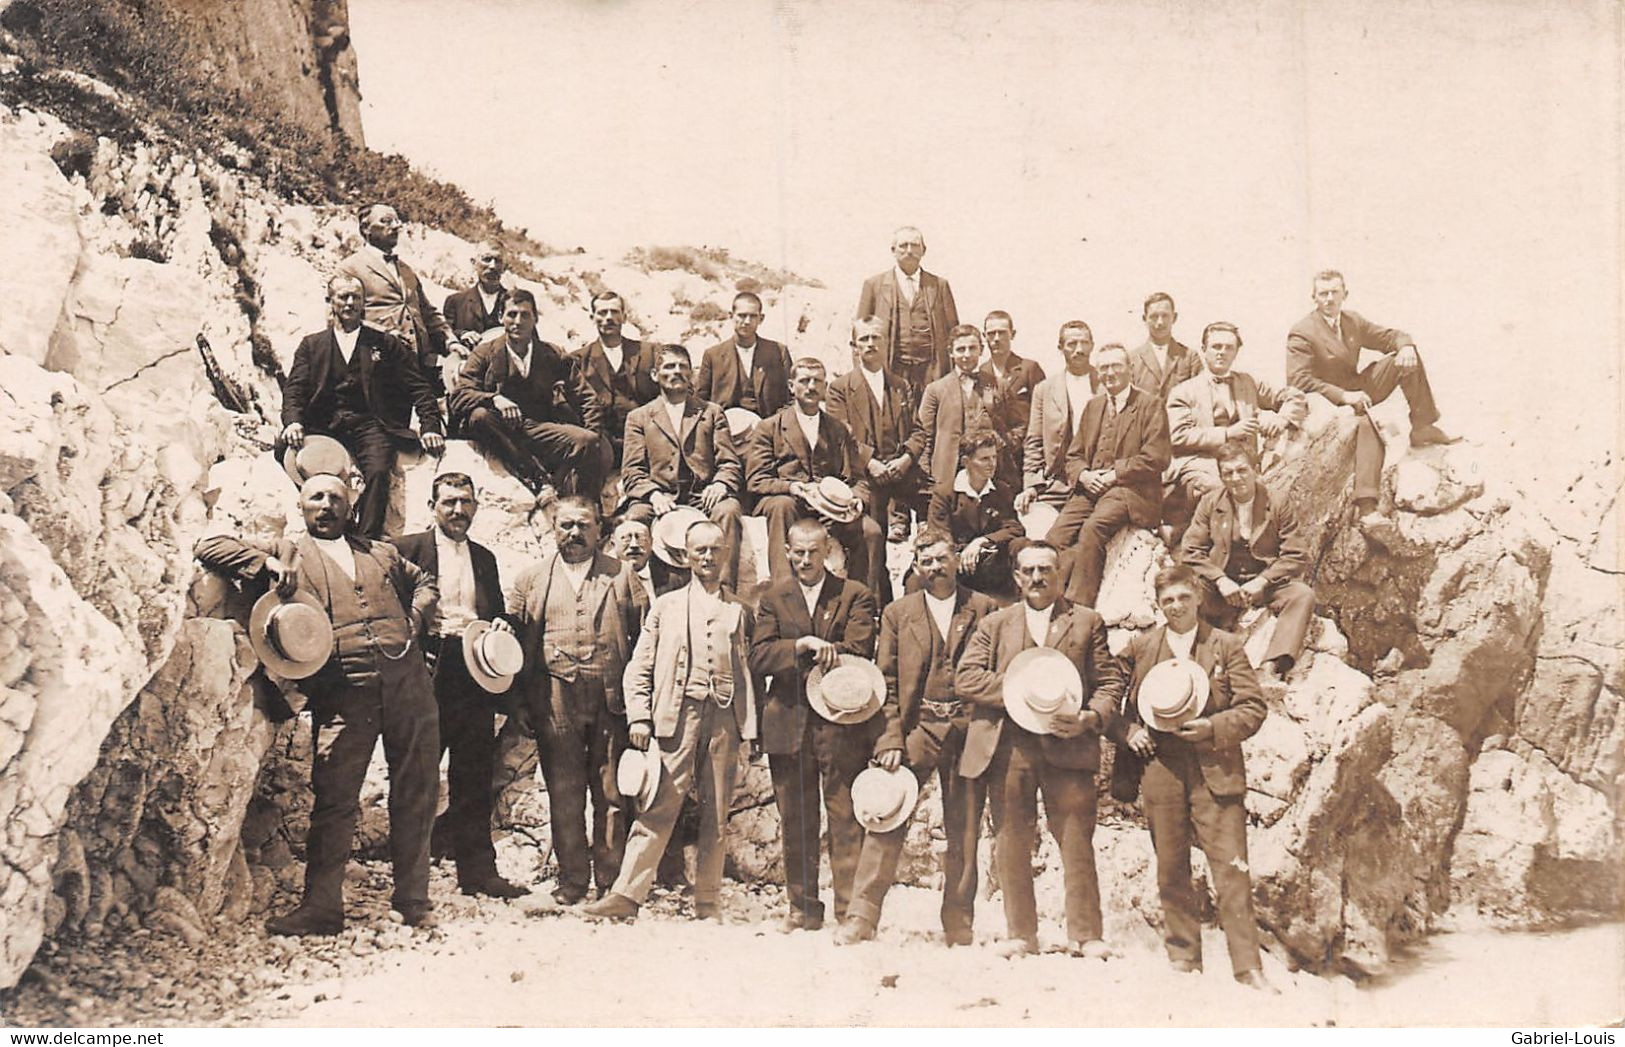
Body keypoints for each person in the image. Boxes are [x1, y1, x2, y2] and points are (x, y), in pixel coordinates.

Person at [195, 474, 441, 934]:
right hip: (344, 693)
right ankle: (322, 908)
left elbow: (426, 580)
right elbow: (210, 546)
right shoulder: (288, 550)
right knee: (335, 799)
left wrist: (416, 617)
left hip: (409, 687)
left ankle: (414, 899)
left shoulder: (381, 552)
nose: (327, 506)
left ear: (350, 508)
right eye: (317, 498)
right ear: (302, 505)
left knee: (416, 793)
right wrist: (267, 562)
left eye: (336, 499)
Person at [583, 521, 759, 923]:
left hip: (724, 719)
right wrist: (640, 717)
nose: (709, 558)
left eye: (716, 550)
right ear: (686, 556)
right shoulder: (666, 606)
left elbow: (749, 672)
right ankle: (626, 895)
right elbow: (639, 666)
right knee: (659, 805)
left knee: (717, 811)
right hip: (676, 717)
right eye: (701, 551)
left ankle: (708, 902)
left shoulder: (739, 610)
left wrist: (750, 728)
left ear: (725, 553)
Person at [956, 541, 1124, 957]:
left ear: (1059, 573)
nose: (1037, 578)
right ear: (1016, 577)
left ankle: (1086, 934)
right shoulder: (996, 623)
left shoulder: (1086, 622)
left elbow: (1110, 683)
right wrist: (1023, 690)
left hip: (1068, 743)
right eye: (1029, 571)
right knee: (1012, 839)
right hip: (1011, 744)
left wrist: (1089, 717)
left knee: (1075, 839)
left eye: (1046, 570)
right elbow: (967, 677)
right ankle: (1021, 934)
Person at [1113, 565, 1275, 991]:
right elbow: (1108, 697)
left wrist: (1213, 729)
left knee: (1231, 868)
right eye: (1168, 600)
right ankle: (1183, 957)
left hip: (1214, 768)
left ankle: (1247, 967)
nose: (1177, 606)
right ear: (1158, 605)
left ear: (1198, 599)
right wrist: (1129, 731)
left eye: (1184, 597)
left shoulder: (1226, 646)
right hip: (1161, 768)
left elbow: (1253, 708)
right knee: (1170, 866)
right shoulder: (1141, 647)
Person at [837, 527, 997, 945]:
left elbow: (994, 674)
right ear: (916, 566)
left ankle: (959, 923)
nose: (936, 568)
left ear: (956, 557)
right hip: (917, 730)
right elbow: (884, 681)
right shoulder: (898, 613)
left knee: (964, 829)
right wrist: (889, 739)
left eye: (942, 559)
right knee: (887, 814)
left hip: (966, 730)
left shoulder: (983, 609)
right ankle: (862, 916)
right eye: (926, 561)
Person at [390, 473, 525, 898]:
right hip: (427, 667)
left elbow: (497, 611)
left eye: (465, 502)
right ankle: (411, 883)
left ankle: (478, 874)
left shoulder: (484, 558)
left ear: (476, 506)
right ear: (432, 505)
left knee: (473, 773)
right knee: (420, 774)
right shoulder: (406, 549)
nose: (458, 511)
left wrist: (505, 622)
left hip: (474, 670)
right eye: (448, 502)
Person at [502, 496, 642, 904]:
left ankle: (611, 881)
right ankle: (572, 880)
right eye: (566, 525)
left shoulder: (623, 576)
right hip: (554, 696)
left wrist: (638, 704)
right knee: (564, 790)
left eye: (583, 525)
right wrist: (521, 703)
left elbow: (643, 641)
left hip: (609, 698)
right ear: (552, 527)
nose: (574, 534)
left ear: (600, 530)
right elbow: (515, 639)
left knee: (612, 792)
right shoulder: (531, 579)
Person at [749, 519, 879, 932]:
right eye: (798, 552)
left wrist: (827, 652)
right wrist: (799, 647)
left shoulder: (854, 594)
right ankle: (802, 908)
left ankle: (849, 912)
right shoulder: (772, 597)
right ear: (787, 552)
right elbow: (758, 657)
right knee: (796, 820)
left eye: (813, 552)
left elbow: (860, 650)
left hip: (842, 724)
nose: (805, 560)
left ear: (829, 552)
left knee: (844, 818)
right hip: (788, 722)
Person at [279, 273, 445, 539]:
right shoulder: (312, 345)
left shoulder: (385, 343)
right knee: (294, 459)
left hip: (370, 423)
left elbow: (419, 387)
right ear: (330, 301)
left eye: (356, 297)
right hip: (323, 424)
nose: (349, 303)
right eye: (343, 297)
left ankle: (364, 540)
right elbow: (294, 389)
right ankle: (324, 530)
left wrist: (430, 427)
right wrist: (294, 422)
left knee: (378, 471)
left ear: (364, 302)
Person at [1285, 269, 1457, 514]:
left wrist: (1406, 346)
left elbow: (1390, 337)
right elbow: (1298, 379)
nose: (1329, 299)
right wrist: (1344, 397)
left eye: (1335, 292)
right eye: (1323, 293)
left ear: (1346, 293)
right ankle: (1366, 503)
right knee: (1367, 425)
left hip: (1356, 389)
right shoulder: (1303, 331)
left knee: (1407, 357)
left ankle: (1422, 426)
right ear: (1313, 297)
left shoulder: (1352, 321)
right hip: (1326, 402)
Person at [447, 289, 608, 499]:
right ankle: (536, 478)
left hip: (539, 428)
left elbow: (586, 396)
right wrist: (494, 399)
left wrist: (593, 437)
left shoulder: (552, 354)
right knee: (480, 416)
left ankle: (576, 500)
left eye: (525, 315)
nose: (518, 321)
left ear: (535, 319)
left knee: (586, 440)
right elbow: (460, 394)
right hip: (500, 427)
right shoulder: (485, 352)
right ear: (500, 318)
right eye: (512, 314)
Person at [745, 358, 885, 591]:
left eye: (817, 381)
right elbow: (756, 479)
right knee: (782, 506)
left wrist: (854, 500)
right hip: (790, 503)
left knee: (871, 530)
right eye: (804, 381)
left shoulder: (839, 429)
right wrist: (791, 487)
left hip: (830, 511)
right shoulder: (769, 427)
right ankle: (786, 595)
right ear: (791, 386)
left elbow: (858, 480)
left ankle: (862, 602)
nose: (811, 387)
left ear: (825, 387)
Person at [1047, 343, 1170, 604]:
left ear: (1130, 369)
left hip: (1131, 491)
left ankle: (1080, 606)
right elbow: (1074, 455)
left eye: (1116, 366)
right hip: (1091, 488)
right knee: (1055, 537)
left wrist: (1115, 474)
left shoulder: (1150, 405)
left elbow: (1157, 457)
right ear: (1098, 372)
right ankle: (1050, 599)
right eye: (1104, 367)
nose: (1110, 373)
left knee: (1093, 529)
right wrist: (1084, 476)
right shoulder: (1094, 407)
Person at [1179, 442, 1315, 676]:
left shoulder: (1278, 502)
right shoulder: (1211, 502)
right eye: (1228, 473)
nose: (1236, 478)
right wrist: (1220, 580)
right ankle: (1196, 661)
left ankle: (1271, 667)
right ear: (1221, 476)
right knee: (1188, 590)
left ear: (1255, 470)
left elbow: (1296, 553)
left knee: (1302, 594)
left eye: (1242, 470)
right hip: (1222, 586)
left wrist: (1262, 581)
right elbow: (1190, 551)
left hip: (1264, 586)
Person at [619, 344, 746, 590]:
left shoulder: (711, 412)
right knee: (635, 518)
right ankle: (635, 593)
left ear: (692, 374)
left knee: (729, 509)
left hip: (702, 496)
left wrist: (720, 483)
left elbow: (729, 462)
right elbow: (632, 471)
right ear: (655, 375)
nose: (676, 371)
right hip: (659, 496)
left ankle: (724, 588)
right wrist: (653, 495)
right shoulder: (639, 417)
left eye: (682, 366)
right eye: (669, 366)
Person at [824, 315, 928, 577]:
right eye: (864, 339)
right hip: (865, 475)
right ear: (854, 346)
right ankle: (874, 602)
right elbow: (842, 435)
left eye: (876, 337)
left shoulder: (901, 386)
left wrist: (906, 459)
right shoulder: (840, 389)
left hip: (901, 471)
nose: (871, 343)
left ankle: (922, 580)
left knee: (939, 502)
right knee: (872, 533)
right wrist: (870, 462)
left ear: (886, 342)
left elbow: (918, 430)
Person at [1166, 321, 1306, 502]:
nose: (1222, 352)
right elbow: (1178, 436)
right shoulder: (1184, 391)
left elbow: (1295, 397)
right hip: (1200, 463)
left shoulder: (1248, 382)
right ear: (1203, 349)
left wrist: (1281, 419)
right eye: (1216, 347)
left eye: (1229, 348)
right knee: (1225, 489)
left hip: (1242, 463)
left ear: (1236, 352)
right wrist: (1228, 433)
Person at [335, 203, 455, 379]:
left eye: (397, 221)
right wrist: (384, 335)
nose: (397, 226)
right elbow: (339, 319)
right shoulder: (349, 268)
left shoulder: (406, 269)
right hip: (378, 368)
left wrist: (450, 341)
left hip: (420, 367)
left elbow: (427, 312)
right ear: (366, 228)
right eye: (386, 221)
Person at [855, 226, 960, 405]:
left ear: (923, 250)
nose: (909, 251)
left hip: (931, 370)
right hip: (891, 367)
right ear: (893, 250)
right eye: (903, 245)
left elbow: (954, 333)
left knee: (929, 420)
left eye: (914, 245)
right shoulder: (874, 285)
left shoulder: (939, 285)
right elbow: (858, 334)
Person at [926, 430, 1024, 600]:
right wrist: (963, 552)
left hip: (991, 563)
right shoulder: (945, 493)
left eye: (994, 457)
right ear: (966, 462)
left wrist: (982, 542)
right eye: (984, 459)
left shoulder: (1001, 490)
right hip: (959, 565)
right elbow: (939, 536)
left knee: (1022, 545)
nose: (992, 464)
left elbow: (1014, 528)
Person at [917, 325, 1016, 492]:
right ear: (951, 352)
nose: (967, 355)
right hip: (947, 473)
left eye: (972, 348)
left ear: (981, 349)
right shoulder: (935, 389)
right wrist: (926, 474)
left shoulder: (999, 385)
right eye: (960, 349)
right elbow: (923, 435)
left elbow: (1018, 426)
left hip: (990, 474)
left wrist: (1003, 445)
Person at [1018, 321, 1096, 516]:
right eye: (1072, 344)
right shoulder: (1045, 389)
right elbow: (1034, 441)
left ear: (1092, 345)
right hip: (1057, 482)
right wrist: (1031, 484)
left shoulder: (1105, 384)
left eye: (1084, 343)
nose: (1079, 350)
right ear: (1061, 348)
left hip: (1097, 479)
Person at [572, 290, 658, 465]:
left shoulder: (649, 352)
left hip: (647, 441)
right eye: (602, 312)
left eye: (614, 312)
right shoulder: (578, 360)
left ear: (624, 317)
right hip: (603, 446)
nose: (609, 318)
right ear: (592, 318)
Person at [694, 291, 793, 419]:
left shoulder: (778, 352)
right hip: (723, 429)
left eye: (752, 316)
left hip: (768, 430)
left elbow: (792, 397)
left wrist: (776, 424)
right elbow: (700, 400)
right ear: (731, 316)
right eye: (742, 315)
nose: (747, 321)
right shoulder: (713, 355)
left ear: (761, 319)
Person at [979, 310, 1046, 476]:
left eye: (1001, 333)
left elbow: (1044, 412)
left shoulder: (1029, 368)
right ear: (984, 336)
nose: (996, 339)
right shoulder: (981, 372)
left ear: (1012, 334)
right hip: (993, 455)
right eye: (991, 333)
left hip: (1025, 453)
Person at [1129, 292, 1204, 401]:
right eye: (1154, 317)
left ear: (1174, 317)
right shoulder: (1132, 359)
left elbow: (1199, 397)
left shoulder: (1190, 357)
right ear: (1144, 319)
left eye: (1165, 316)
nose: (1160, 322)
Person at [442, 242, 509, 351]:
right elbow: (442, 336)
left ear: (505, 267)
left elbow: (533, 344)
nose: (492, 266)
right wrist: (462, 334)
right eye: (487, 259)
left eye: (498, 261)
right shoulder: (455, 302)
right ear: (474, 263)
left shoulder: (516, 303)